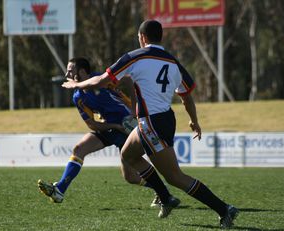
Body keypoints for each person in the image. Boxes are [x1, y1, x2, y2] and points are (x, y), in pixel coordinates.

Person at [61, 20, 239, 228]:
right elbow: (187, 96)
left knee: (175, 177)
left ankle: (224, 209)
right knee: (128, 154)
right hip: (162, 119)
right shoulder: (173, 62)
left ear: (142, 37)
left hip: (151, 123)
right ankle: (166, 198)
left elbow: (101, 80)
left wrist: (77, 84)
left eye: (139, 37)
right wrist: (194, 120)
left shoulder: (136, 56)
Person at [38, 57, 179, 209]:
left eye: (70, 71)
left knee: (130, 176)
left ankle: (161, 191)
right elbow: (92, 124)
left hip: (128, 128)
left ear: (83, 72)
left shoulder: (102, 80)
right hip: (111, 127)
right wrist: (114, 126)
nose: (67, 75)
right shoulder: (78, 96)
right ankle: (60, 190)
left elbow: (128, 80)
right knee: (79, 149)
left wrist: (133, 109)